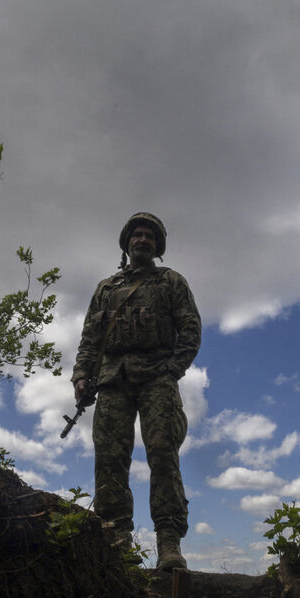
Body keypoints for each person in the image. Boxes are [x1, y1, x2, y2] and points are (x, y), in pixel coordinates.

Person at [72, 212, 201, 571]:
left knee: (162, 453)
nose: (142, 240)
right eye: (137, 235)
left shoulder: (170, 282)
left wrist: (173, 370)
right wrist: (81, 376)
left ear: (157, 246)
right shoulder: (106, 289)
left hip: (157, 377)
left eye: (149, 236)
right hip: (113, 379)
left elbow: (190, 330)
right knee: (110, 458)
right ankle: (116, 540)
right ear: (127, 243)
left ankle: (169, 543)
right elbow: (90, 339)